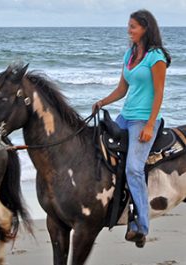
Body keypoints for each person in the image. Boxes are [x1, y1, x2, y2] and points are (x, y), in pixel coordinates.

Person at [92, 9, 171, 247]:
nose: (129, 30)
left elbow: (159, 93)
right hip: (125, 116)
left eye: (133, 26)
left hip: (144, 120)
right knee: (98, 149)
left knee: (134, 168)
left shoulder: (155, 57)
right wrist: (103, 102)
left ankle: (141, 226)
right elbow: (122, 90)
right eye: (129, 26)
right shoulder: (130, 54)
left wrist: (149, 125)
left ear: (145, 28)